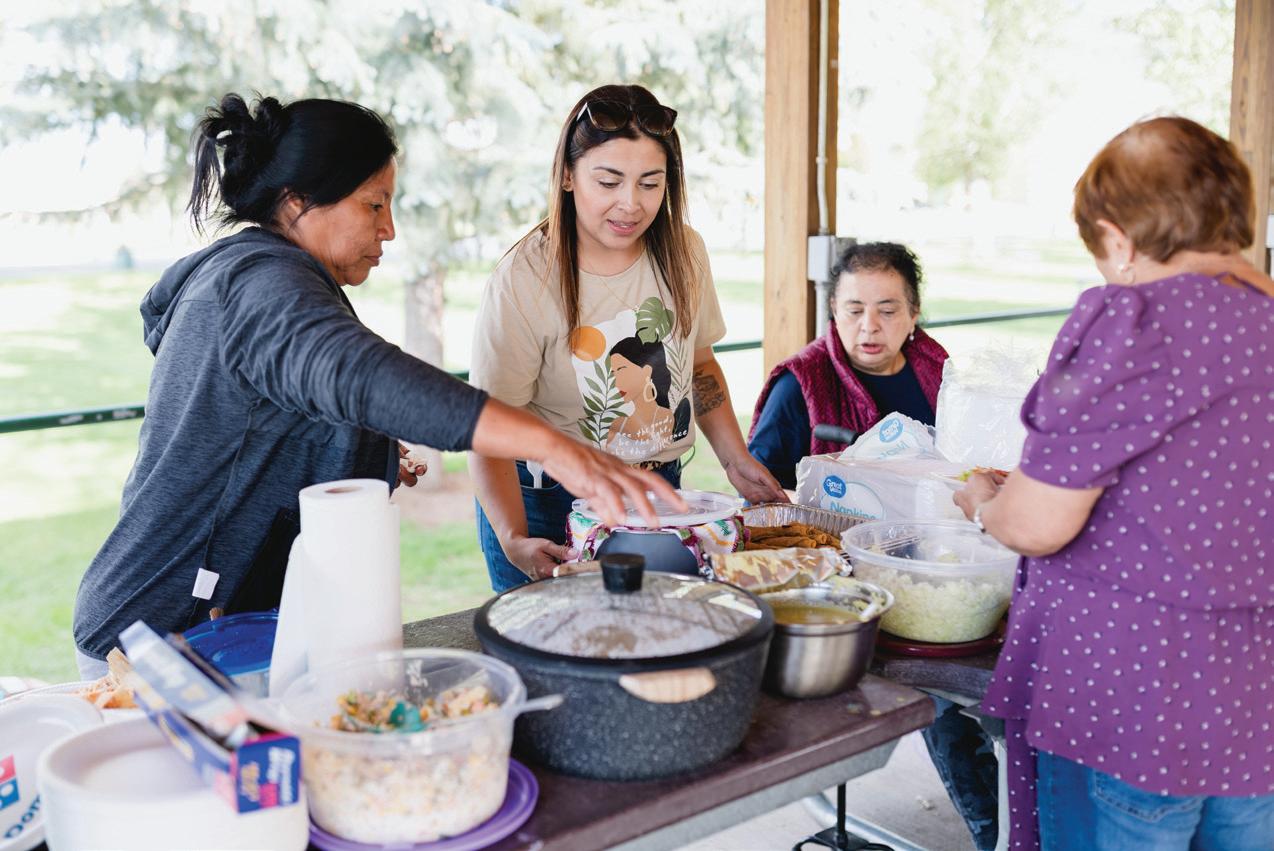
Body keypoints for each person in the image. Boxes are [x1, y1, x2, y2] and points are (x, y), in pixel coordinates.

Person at [72, 93, 679, 679]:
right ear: (297, 201)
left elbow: (279, 410)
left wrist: (370, 447)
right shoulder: (258, 286)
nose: (388, 229)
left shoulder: (271, 277)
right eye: (372, 205)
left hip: (232, 630)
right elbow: (360, 374)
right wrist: (555, 447)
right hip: (161, 642)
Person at [955, 116, 1274, 850]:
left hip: (1130, 698)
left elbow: (1036, 524)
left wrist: (985, 505)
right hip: (1255, 701)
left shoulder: (1137, 319)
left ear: (1118, 239)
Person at [469, 83, 787, 592]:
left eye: (650, 183)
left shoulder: (684, 251)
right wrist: (512, 538)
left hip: (659, 489)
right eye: (608, 181)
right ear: (568, 175)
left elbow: (698, 364)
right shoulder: (524, 277)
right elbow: (489, 426)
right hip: (547, 502)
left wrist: (735, 460)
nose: (630, 204)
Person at [747, 242, 948, 490]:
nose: (869, 326)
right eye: (854, 311)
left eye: (887, 311)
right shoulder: (799, 383)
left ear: (913, 312)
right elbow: (757, 490)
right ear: (834, 309)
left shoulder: (939, 372)